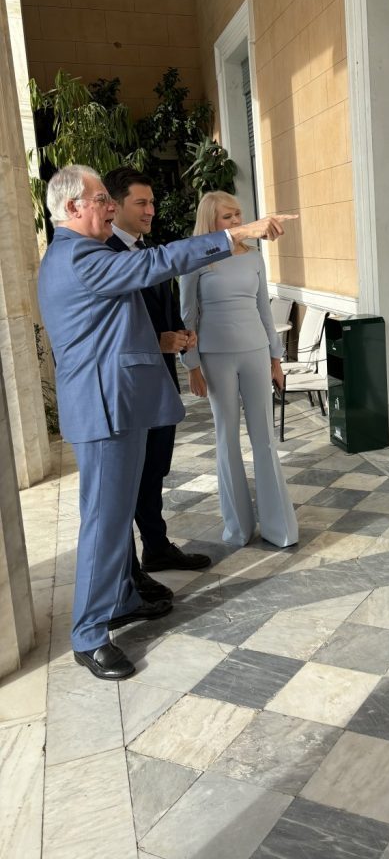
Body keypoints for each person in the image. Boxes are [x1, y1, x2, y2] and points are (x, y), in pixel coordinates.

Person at [38, 165, 293, 680]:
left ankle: (122, 599)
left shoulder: (80, 253)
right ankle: (89, 635)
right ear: (72, 207)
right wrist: (236, 234)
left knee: (114, 520)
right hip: (106, 410)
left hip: (119, 405)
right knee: (104, 524)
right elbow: (158, 262)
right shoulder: (78, 255)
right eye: (101, 199)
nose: (110, 206)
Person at [103, 167, 211, 602]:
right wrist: (156, 341)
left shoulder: (147, 250)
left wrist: (181, 336)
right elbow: (110, 331)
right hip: (129, 390)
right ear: (114, 206)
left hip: (161, 382)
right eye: (141, 203)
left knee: (154, 471)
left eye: (152, 202)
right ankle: (128, 574)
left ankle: (157, 547)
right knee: (130, 479)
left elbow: (163, 308)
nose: (151, 210)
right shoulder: (104, 256)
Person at [180, 192, 298, 549]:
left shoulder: (255, 258)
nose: (236, 222)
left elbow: (264, 311)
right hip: (215, 356)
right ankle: (238, 528)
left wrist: (276, 360)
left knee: (264, 437)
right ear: (210, 221)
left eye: (238, 215)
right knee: (226, 438)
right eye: (227, 217)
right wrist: (192, 365)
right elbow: (187, 316)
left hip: (256, 352)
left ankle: (279, 527)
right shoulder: (195, 259)